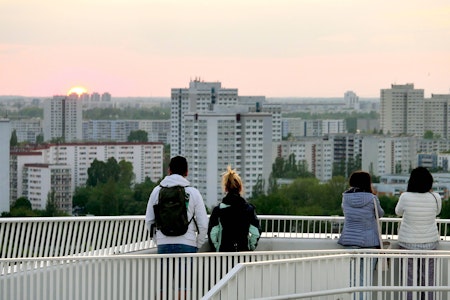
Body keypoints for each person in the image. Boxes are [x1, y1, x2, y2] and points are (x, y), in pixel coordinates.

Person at [145, 156, 208, 254]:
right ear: (186, 172)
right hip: (187, 243)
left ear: (169, 170)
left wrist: (159, 241)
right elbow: (203, 224)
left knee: (166, 270)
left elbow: (149, 220)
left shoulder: (156, 191)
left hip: (163, 243)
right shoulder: (193, 193)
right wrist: (197, 244)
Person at [395, 166, 441, 300]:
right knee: (428, 279)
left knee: (409, 279)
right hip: (430, 243)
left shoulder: (405, 196)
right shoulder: (435, 197)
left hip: (407, 243)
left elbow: (398, 212)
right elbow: (437, 212)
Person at [338, 170, 384, 300]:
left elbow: (345, 212)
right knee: (366, 278)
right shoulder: (372, 198)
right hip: (369, 242)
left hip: (350, 241)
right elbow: (379, 214)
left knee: (353, 278)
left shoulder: (345, 197)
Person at [208, 166, 261, 252]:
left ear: (225, 188)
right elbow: (256, 233)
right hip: (243, 254)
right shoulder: (248, 209)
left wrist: (218, 248)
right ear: (240, 188)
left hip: (224, 255)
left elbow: (213, 234)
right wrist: (250, 247)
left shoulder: (218, 210)